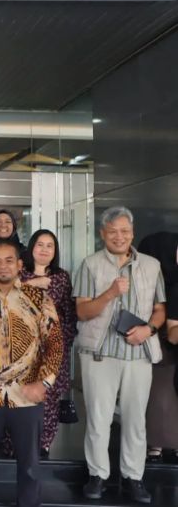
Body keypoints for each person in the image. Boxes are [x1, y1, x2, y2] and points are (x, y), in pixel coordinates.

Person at [0, 239, 63, 507]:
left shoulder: (39, 298)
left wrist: (44, 383)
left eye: (9, 261)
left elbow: (55, 343)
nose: (2, 266)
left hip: (27, 395)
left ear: (19, 265)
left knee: (29, 465)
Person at [74, 207, 166, 504]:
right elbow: (82, 311)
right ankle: (97, 475)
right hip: (100, 353)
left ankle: (133, 477)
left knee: (135, 419)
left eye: (124, 231)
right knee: (98, 418)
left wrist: (148, 330)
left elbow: (160, 310)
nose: (119, 236)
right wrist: (110, 293)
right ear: (102, 234)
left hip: (139, 353)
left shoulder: (152, 265)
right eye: (112, 231)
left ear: (132, 232)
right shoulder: (90, 264)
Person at [18, 230, 77, 457]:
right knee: (19, 395)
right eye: (40, 244)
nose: (44, 249)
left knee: (48, 398)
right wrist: (34, 283)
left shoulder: (61, 277)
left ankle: (43, 444)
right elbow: (6, 297)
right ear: (31, 248)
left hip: (52, 348)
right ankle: (16, 445)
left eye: (49, 245)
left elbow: (69, 314)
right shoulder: (19, 273)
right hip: (21, 349)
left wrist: (63, 344)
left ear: (55, 251)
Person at [137, 231, 178, 464]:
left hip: (168, 339)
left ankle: (168, 443)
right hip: (156, 342)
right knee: (159, 397)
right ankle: (156, 444)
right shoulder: (150, 278)